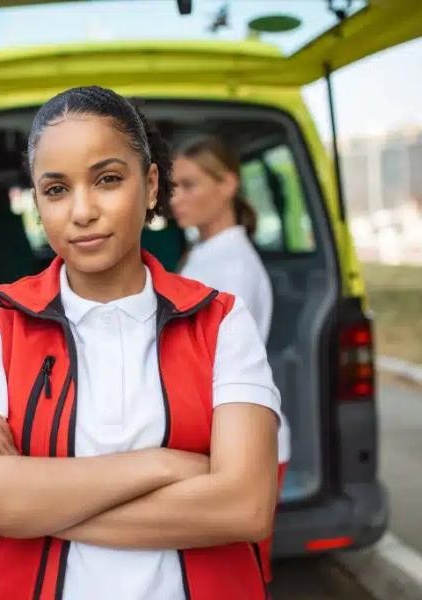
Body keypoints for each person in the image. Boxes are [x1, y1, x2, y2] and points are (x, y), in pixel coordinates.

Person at [0, 86, 280, 600]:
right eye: (55, 190)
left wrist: (27, 493)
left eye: (108, 180)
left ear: (152, 183)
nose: (82, 211)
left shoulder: (220, 319)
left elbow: (244, 507)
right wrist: (166, 464)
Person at [171, 134, 291, 586]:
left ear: (227, 185)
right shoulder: (206, 254)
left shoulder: (232, 267)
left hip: (239, 449)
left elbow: (209, 370)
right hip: (222, 443)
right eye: (173, 187)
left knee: (233, 582)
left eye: (189, 185)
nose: (176, 198)